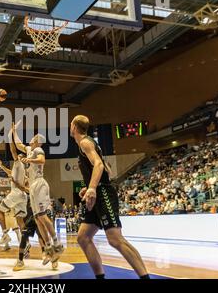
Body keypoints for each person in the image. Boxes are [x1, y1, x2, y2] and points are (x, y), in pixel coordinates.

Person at [70, 115, 149, 279]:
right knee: (83, 238)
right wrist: (88, 186)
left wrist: (93, 187)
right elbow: (107, 170)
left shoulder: (85, 142)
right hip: (98, 192)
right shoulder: (88, 143)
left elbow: (99, 165)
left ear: (74, 127)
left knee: (115, 239)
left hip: (103, 193)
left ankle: (145, 277)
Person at [13, 122, 64, 265]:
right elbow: (18, 145)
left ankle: (57, 244)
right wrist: (13, 131)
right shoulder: (30, 149)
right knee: (37, 219)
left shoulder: (38, 150)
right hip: (33, 187)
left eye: (33, 137)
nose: (30, 139)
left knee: (42, 216)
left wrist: (28, 160)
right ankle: (48, 248)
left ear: (37, 141)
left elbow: (42, 160)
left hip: (40, 184)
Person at [0, 127, 28, 249]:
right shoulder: (21, 169)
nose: (16, 157)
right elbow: (10, 173)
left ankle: (5, 235)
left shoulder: (18, 163)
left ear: (20, 158)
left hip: (16, 193)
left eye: (18, 156)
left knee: (0, 211)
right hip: (23, 196)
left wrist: (10, 137)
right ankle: (26, 243)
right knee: (20, 220)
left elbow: (13, 150)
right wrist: (1, 166)